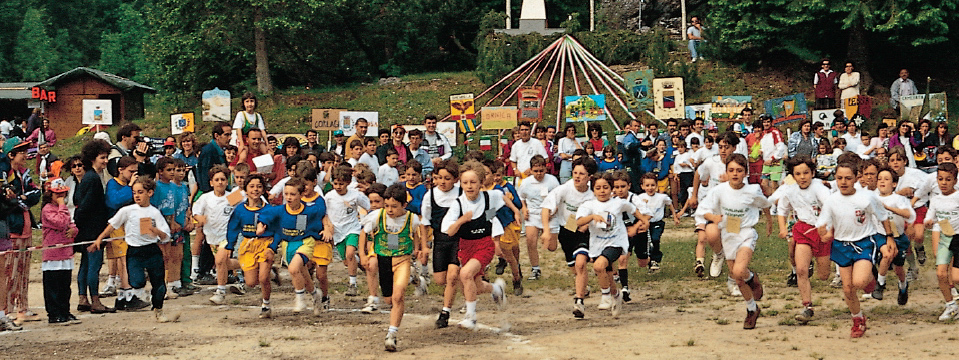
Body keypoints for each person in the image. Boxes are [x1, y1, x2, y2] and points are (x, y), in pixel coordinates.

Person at [816, 161, 893, 338]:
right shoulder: (831, 200)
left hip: (864, 242)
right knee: (848, 289)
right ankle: (858, 319)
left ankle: (870, 279)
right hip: (841, 245)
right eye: (840, 178)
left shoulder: (866, 197)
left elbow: (882, 216)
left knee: (858, 282)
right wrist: (824, 233)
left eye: (848, 178)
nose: (843, 182)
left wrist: (889, 236)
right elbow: (823, 223)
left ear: (856, 178)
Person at [89, 177, 179, 323]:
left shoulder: (155, 212)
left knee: (159, 284)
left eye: (140, 192)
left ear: (150, 193)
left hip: (152, 250)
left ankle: (158, 309)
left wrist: (156, 231)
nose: (137, 195)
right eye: (134, 192)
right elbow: (112, 225)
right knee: (136, 281)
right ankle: (141, 291)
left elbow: (166, 236)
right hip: (134, 252)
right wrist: (100, 238)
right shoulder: (127, 210)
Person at [699, 154, 772, 329]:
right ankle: (752, 309)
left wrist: (770, 222)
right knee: (739, 278)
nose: (735, 174)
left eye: (739, 170)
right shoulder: (719, 190)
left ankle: (751, 278)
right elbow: (704, 210)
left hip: (746, 231)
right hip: (729, 232)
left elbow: (765, 204)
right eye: (731, 170)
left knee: (739, 271)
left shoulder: (752, 190)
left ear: (745, 173)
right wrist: (714, 217)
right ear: (726, 172)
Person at [441, 160, 513, 329]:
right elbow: (449, 231)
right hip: (465, 247)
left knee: (465, 274)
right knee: (477, 285)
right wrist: (462, 220)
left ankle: (471, 317)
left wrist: (515, 211)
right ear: (460, 183)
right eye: (465, 182)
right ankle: (496, 289)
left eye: (473, 182)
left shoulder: (491, 197)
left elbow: (503, 198)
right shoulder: (457, 204)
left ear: (481, 182)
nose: (469, 186)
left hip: (484, 245)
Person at [359, 184, 424, 352]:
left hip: (402, 260)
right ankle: (413, 278)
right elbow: (364, 233)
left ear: (404, 205)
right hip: (384, 260)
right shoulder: (377, 216)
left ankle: (392, 334)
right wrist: (364, 254)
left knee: (398, 296)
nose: (389, 210)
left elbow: (418, 231)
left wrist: (420, 248)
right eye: (386, 205)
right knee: (388, 299)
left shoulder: (412, 218)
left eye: (394, 206)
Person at [575, 172, 648, 317]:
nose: (602, 191)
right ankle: (616, 295)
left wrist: (643, 221)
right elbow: (578, 221)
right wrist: (592, 217)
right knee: (606, 273)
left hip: (616, 242)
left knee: (598, 266)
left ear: (611, 189)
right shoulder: (589, 205)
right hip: (597, 244)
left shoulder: (618, 202)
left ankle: (606, 296)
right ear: (593, 189)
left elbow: (633, 209)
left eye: (605, 187)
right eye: (598, 188)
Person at [257, 177, 331, 315]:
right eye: (286, 194)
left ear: (301, 195)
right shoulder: (280, 210)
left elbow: (323, 214)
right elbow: (265, 215)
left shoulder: (310, 210)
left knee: (293, 268)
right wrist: (261, 225)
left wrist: (326, 228)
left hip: (305, 243)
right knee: (302, 276)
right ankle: (316, 295)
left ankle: (300, 299)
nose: (289, 197)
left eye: (293, 194)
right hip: (288, 244)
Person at [775, 156, 831, 323]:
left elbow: (830, 205)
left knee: (823, 276)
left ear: (813, 173)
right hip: (803, 230)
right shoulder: (790, 190)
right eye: (798, 174)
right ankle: (807, 306)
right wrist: (783, 228)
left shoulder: (819, 188)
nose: (802, 177)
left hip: (822, 232)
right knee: (801, 270)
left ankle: (814, 264)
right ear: (792, 175)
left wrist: (826, 227)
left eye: (806, 173)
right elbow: (782, 209)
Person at [541, 156, 598, 318]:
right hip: (567, 230)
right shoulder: (564, 189)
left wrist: (588, 224)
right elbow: (546, 208)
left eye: (581, 174)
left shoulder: (593, 194)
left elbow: (599, 212)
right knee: (575, 267)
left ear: (589, 177)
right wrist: (546, 230)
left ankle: (579, 301)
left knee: (581, 264)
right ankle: (583, 288)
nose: (577, 177)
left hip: (584, 232)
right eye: (575, 173)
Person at [225, 174, 275, 318]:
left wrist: (273, 246)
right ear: (245, 190)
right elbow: (233, 228)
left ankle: (266, 305)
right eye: (252, 186)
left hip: (265, 243)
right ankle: (271, 272)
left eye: (259, 186)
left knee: (263, 278)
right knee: (251, 282)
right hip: (247, 244)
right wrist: (230, 246)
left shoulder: (269, 209)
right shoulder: (240, 209)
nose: (255, 190)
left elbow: (277, 228)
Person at [4, 137, 42, 325]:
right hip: (13, 230)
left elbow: (36, 194)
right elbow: (10, 201)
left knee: (24, 271)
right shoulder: (5, 175)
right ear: (11, 155)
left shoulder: (24, 174)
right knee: (10, 272)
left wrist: (21, 197)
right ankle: (6, 310)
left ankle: (23, 307)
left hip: (26, 228)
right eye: (21, 153)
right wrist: (21, 198)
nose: (26, 156)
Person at [325, 166, 371, 297]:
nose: (338, 186)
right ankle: (360, 263)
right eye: (335, 183)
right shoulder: (329, 197)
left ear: (348, 183)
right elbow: (325, 214)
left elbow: (368, 206)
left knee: (350, 253)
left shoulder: (355, 195)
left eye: (341, 184)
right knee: (347, 260)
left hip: (352, 228)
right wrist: (328, 226)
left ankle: (353, 284)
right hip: (337, 231)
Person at [871, 167, 914, 305]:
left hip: (898, 236)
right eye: (880, 179)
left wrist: (889, 208)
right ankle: (880, 284)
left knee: (899, 268)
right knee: (887, 255)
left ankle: (903, 286)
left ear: (894, 184)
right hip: (880, 234)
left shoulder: (898, 199)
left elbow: (908, 214)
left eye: (886, 179)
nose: (882, 181)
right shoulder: (873, 197)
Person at [41, 178, 81, 325]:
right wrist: (62, 206)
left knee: (65, 285)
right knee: (53, 285)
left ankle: (65, 311)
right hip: (53, 254)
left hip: (65, 252)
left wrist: (73, 230)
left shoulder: (62, 209)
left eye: (63, 194)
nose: (61, 197)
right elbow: (60, 222)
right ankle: (54, 313)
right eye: (58, 194)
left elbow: (70, 223)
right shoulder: (47, 210)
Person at [924, 163, 959, 320]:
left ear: (955, 181)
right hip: (945, 238)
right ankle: (951, 306)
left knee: (957, 277)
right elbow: (931, 216)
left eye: (948, 179)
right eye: (940, 179)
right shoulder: (936, 199)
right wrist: (928, 221)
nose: (943, 183)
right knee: (940, 273)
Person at [518, 155, 560, 281]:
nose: (539, 174)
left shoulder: (552, 181)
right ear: (530, 170)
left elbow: (559, 198)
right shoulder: (526, 183)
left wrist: (554, 210)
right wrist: (524, 209)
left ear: (545, 169)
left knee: (552, 247)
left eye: (541, 171)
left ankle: (546, 236)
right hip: (533, 215)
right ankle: (535, 269)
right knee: (530, 241)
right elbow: (521, 198)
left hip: (550, 214)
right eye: (535, 171)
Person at [232, 91, 268, 161]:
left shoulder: (257, 115)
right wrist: (242, 144)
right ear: (243, 103)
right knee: (243, 155)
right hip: (244, 139)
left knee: (267, 152)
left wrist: (267, 144)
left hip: (256, 140)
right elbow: (238, 130)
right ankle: (238, 169)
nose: (250, 104)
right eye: (247, 101)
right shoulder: (241, 114)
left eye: (251, 101)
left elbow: (262, 131)